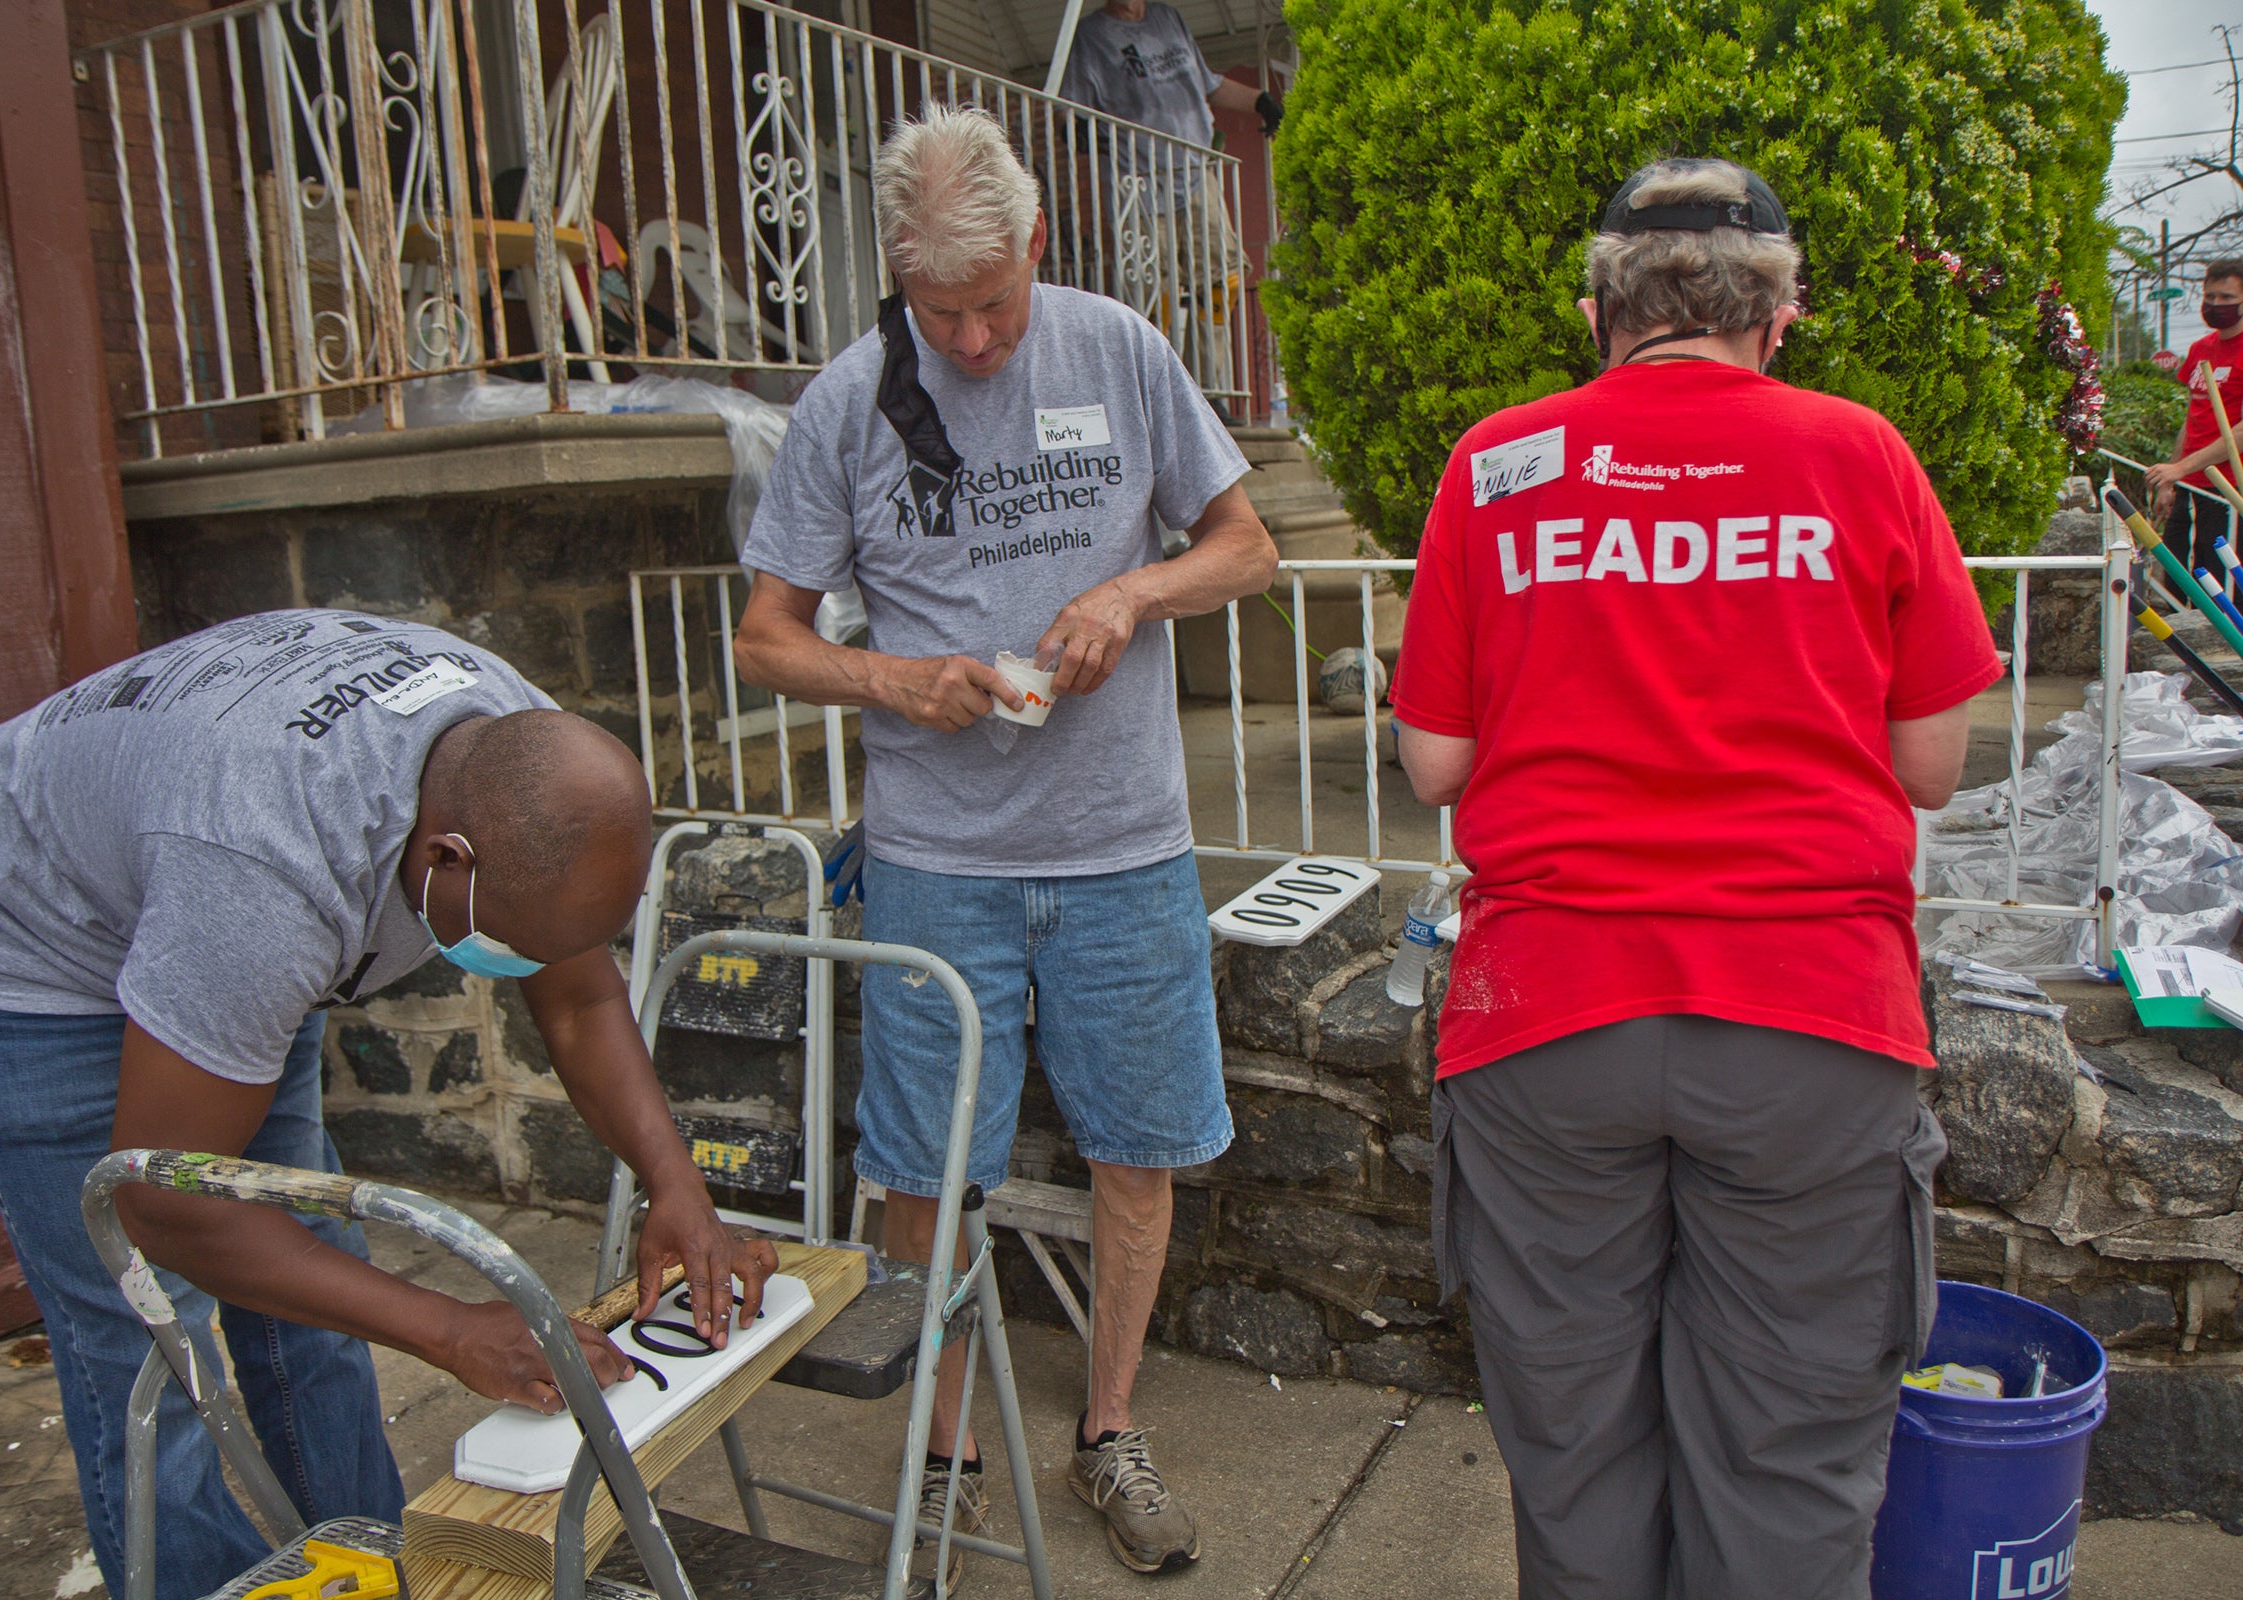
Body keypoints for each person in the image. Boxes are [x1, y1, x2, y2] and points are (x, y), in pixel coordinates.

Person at [0, 610, 778, 1600]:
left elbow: (576, 999)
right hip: (26, 943)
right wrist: (448, 1328)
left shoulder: (525, 750)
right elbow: (166, 1209)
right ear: (446, 861)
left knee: (312, 1271)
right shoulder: (261, 880)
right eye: (515, 942)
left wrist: (675, 1183)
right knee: (145, 1333)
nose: (526, 966)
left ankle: (365, 1568)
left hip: (209, 904)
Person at [1388, 159, 1999, 1598]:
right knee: (1787, 1467)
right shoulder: (1862, 457)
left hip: (1549, 1023)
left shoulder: (1498, 466)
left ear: (1599, 312)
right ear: (1775, 318)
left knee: (1577, 1454)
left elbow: (1432, 764)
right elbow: (1931, 763)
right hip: (1811, 1022)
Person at [732, 104, 1276, 1582]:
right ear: (900, 282)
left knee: (1138, 1152)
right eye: (939, 312)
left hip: (1124, 843)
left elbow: (1250, 544)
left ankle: (1108, 1431)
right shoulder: (851, 401)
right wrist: (891, 679)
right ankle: (953, 1446)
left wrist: (1134, 596)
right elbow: (766, 639)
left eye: (993, 306)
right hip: (937, 857)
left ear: (1041, 245)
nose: (973, 342)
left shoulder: (1115, 348)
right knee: (927, 1170)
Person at [1059, 0, 1278, 403]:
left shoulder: (1168, 18)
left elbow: (1207, 84)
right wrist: (1082, 132)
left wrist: (1260, 100)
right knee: (1152, 295)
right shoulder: (1092, 36)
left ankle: (1211, 395)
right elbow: (1068, 110)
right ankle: (1164, 400)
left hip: (1196, 176)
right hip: (1137, 186)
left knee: (1218, 281)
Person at [2146, 258, 2243, 583]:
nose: (2216, 304)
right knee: (2175, 582)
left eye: (2227, 298)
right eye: (2210, 296)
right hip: (2189, 485)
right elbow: (2192, 420)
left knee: (2221, 589)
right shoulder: (2201, 349)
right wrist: (2171, 480)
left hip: (2229, 490)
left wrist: (2181, 469)